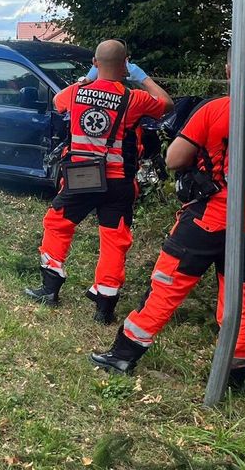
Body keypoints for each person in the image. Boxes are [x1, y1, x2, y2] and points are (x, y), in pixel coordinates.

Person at [91, 43, 245, 389]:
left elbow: (174, 159)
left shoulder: (216, 110)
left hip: (208, 219)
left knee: (167, 284)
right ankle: (236, 372)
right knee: (240, 297)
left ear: (229, 71)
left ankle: (125, 354)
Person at [24, 40, 173, 323]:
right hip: (119, 183)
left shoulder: (77, 92)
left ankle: (50, 288)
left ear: (94, 63)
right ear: (125, 64)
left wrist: (87, 79)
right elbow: (166, 104)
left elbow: (58, 103)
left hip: (82, 176)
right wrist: (141, 77)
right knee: (114, 240)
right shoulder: (134, 99)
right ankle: (104, 308)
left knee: (58, 224)